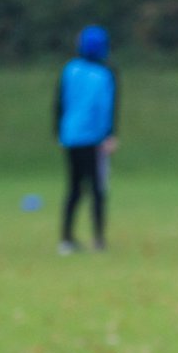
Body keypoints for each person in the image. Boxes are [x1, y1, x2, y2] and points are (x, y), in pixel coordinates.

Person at [55, 24, 118, 254]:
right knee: (98, 190)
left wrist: (59, 134)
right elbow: (107, 108)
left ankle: (66, 239)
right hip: (94, 140)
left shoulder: (70, 70)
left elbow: (60, 103)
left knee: (74, 189)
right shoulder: (105, 75)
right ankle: (99, 240)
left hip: (71, 137)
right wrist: (109, 135)